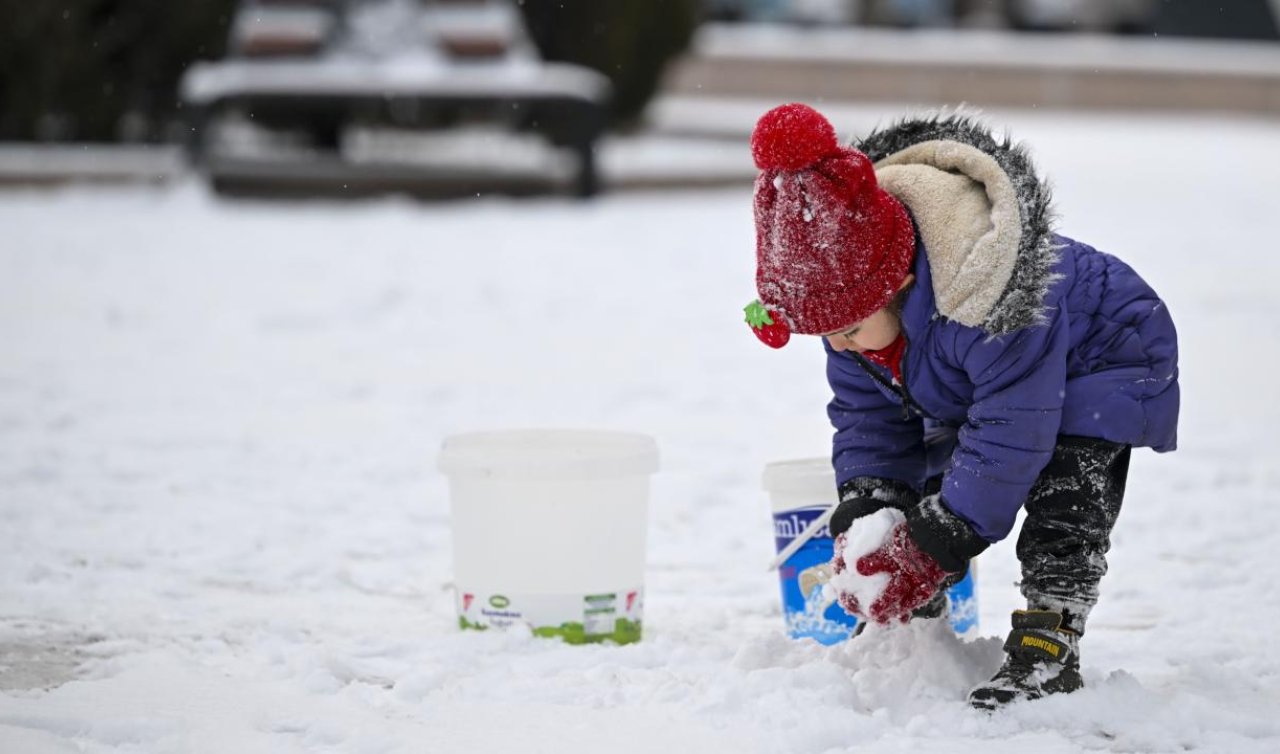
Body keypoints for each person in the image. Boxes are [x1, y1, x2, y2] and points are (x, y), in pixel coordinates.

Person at [743, 103, 1179, 710]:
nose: (837, 345)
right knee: (926, 476)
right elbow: (870, 422)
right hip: (984, 379)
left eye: (846, 330)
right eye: (826, 335)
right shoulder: (853, 318)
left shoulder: (988, 300)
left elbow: (1009, 434)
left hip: (1104, 356)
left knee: (1064, 499)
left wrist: (938, 540)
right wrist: (870, 509)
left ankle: (1049, 638)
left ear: (896, 286)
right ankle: (914, 622)